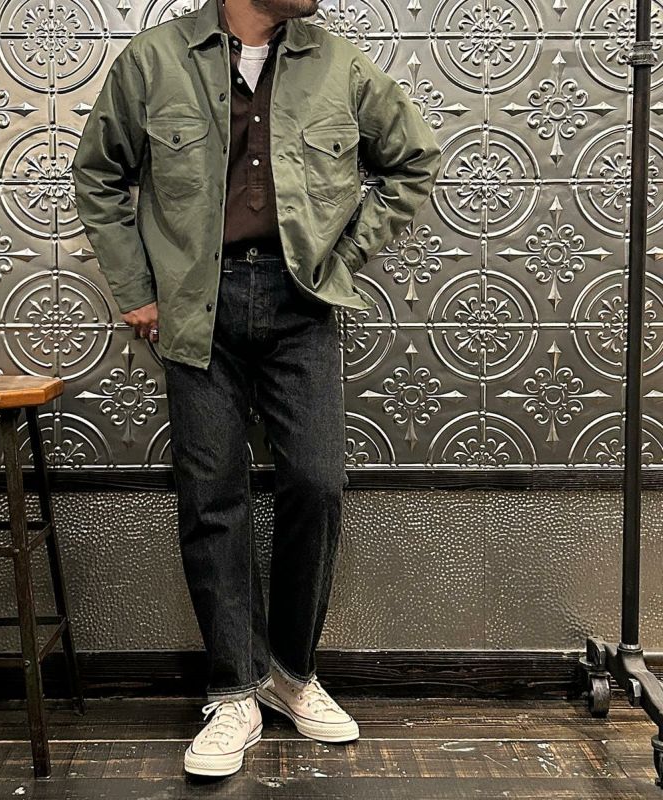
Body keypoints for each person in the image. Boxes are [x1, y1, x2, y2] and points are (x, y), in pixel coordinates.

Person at [72, 0, 441, 778]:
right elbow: (99, 174)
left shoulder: (337, 64)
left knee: (316, 482)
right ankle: (233, 691)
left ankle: (291, 674)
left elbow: (413, 159)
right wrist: (136, 288)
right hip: (194, 305)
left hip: (300, 304)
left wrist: (345, 257)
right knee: (212, 495)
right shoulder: (153, 60)